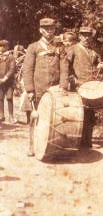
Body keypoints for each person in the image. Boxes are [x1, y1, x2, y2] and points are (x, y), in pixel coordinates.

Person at [23, 18, 62, 156]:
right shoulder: (33, 47)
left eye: (52, 28)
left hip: (55, 91)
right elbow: (27, 69)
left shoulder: (60, 47)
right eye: (46, 29)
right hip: (38, 90)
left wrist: (62, 87)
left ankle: (48, 146)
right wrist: (29, 90)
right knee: (35, 118)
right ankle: (32, 147)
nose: (49, 31)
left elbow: (64, 68)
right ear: (41, 30)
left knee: (53, 119)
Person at [60, 26, 102, 149]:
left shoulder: (92, 51)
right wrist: (72, 79)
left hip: (90, 87)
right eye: (84, 35)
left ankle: (87, 142)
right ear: (80, 36)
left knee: (90, 115)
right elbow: (65, 65)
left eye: (88, 35)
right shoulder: (73, 49)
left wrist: (99, 65)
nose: (86, 38)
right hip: (78, 86)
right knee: (79, 114)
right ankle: (76, 142)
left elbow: (96, 64)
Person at [0, 40, 16, 123]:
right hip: (0, 82)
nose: (1, 48)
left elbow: (12, 69)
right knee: (0, 98)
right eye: (0, 46)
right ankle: (1, 115)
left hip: (9, 81)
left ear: (7, 47)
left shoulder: (10, 57)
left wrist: (5, 78)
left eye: (3, 46)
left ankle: (11, 116)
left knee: (9, 98)